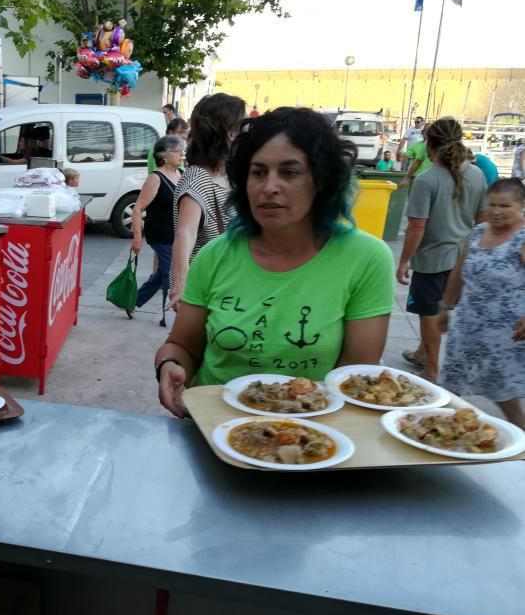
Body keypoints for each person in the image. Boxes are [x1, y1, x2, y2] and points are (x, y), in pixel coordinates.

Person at [154, 107, 394, 416]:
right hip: (211, 427)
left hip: (314, 435)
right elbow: (183, 346)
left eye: (290, 172)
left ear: (321, 180)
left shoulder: (366, 259)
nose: (269, 187)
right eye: (258, 172)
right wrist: (169, 365)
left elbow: (355, 375)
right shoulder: (215, 255)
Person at [398, 117, 489, 382]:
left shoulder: (427, 179)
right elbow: (482, 220)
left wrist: (404, 261)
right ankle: (421, 353)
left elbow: (417, 227)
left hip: (431, 259)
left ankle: (432, 371)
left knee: (429, 313)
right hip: (463, 257)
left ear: (430, 145)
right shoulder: (476, 174)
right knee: (442, 309)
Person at [439, 179, 525, 428]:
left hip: (506, 333)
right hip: (467, 326)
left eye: (505, 206)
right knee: (450, 387)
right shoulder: (478, 232)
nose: (496, 211)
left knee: (504, 395)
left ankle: (521, 442)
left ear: (521, 205)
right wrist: (445, 306)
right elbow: (458, 272)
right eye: (492, 205)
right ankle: (444, 432)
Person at [167, 93, 246, 310]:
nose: (243, 134)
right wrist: (181, 284)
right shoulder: (198, 178)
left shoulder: (228, 174)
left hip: (228, 284)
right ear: (225, 132)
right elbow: (186, 232)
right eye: (239, 127)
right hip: (205, 289)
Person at [130, 135, 185, 325]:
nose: (182, 154)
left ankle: (133, 301)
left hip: (177, 234)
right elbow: (138, 208)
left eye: (182, 150)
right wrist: (137, 238)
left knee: (162, 273)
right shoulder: (155, 178)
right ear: (164, 155)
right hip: (160, 234)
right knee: (170, 273)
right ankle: (168, 318)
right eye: (177, 151)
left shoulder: (180, 175)